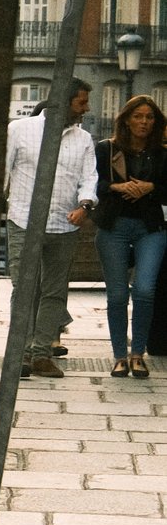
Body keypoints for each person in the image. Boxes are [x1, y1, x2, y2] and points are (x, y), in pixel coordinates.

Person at [5, 80, 97, 380]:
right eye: (81, 102)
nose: (86, 109)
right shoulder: (20, 130)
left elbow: (89, 178)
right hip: (24, 220)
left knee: (54, 292)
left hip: (64, 224)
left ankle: (42, 354)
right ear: (63, 101)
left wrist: (85, 206)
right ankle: (19, 354)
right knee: (24, 289)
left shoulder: (83, 139)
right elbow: (4, 170)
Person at [95, 93, 165, 379]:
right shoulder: (106, 149)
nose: (144, 122)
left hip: (151, 228)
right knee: (117, 294)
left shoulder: (163, 152)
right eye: (138, 116)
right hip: (114, 226)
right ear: (125, 119)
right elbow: (93, 183)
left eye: (149, 117)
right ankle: (119, 357)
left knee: (146, 290)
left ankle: (138, 354)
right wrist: (117, 188)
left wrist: (150, 187)